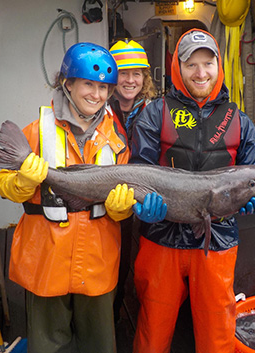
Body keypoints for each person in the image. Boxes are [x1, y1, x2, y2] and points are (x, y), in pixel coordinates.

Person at [0, 42, 155, 353]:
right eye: (88, 85)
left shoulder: (117, 138)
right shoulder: (35, 131)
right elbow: (4, 185)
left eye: (104, 88)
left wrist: (123, 210)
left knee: (98, 345)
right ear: (67, 84)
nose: (96, 95)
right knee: (48, 346)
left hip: (97, 263)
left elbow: (124, 202)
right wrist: (24, 181)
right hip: (46, 261)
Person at [129, 29, 255, 352]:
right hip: (161, 237)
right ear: (177, 68)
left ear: (219, 66)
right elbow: (138, 169)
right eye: (191, 64)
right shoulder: (155, 113)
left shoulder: (240, 121)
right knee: (153, 332)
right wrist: (141, 205)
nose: (201, 73)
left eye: (208, 63)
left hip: (216, 242)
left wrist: (254, 201)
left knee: (217, 335)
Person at [108, 39, 158, 323]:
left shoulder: (157, 111)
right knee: (116, 261)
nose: (130, 80)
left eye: (137, 73)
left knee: (145, 267)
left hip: (149, 202)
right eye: (123, 73)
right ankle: (112, 318)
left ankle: (142, 315)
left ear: (145, 77)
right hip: (110, 201)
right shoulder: (98, 110)